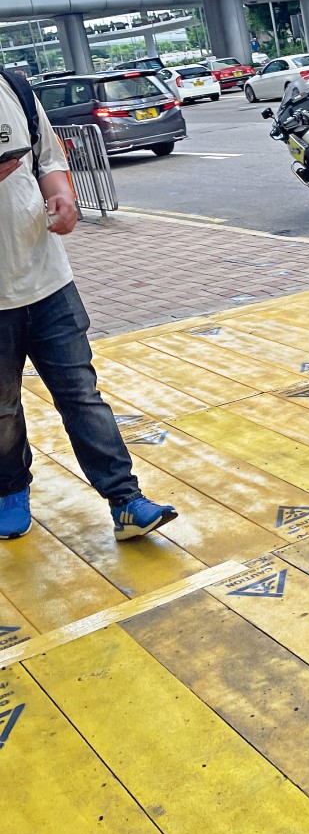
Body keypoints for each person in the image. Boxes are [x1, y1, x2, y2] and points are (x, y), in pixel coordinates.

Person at [0, 74, 177, 540]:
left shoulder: (13, 87)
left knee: (82, 395)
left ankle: (125, 500)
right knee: (1, 409)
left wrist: (63, 195)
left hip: (48, 279)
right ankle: (9, 490)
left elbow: (47, 159)